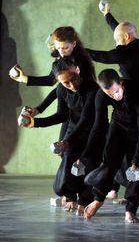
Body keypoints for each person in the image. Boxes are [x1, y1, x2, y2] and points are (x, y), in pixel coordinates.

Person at [21, 57, 97, 216]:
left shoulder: (92, 88)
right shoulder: (62, 90)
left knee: (89, 164)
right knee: (67, 169)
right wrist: (34, 123)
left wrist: (67, 141)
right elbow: (61, 116)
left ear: (77, 69)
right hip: (73, 130)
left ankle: (84, 200)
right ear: (58, 82)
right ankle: (70, 197)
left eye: (73, 78)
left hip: (95, 133)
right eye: (65, 83)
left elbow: (86, 120)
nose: (72, 85)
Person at [82, 69, 139, 223]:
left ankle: (130, 210)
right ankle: (98, 199)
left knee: (138, 170)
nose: (115, 96)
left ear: (121, 84)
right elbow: (98, 126)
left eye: (116, 92)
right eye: (110, 95)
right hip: (118, 124)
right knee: (109, 161)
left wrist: (136, 161)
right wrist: (85, 155)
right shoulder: (101, 95)